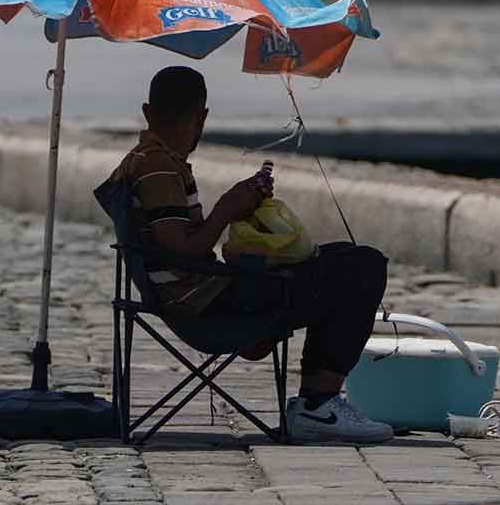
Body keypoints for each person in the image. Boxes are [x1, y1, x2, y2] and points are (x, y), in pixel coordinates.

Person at [105, 66, 393, 443]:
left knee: (339, 257)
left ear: (147, 111)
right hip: (207, 306)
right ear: (202, 117)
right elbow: (182, 250)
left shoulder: (145, 161)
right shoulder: (157, 167)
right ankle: (317, 405)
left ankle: (316, 403)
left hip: (201, 294)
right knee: (362, 268)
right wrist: (227, 207)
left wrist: (241, 209)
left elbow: (179, 246)